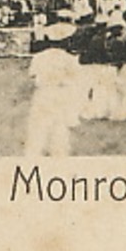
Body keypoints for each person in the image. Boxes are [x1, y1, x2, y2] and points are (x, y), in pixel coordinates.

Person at [23, 15, 80, 158]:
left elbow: (32, 75)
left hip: (43, 93)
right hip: (60, 93)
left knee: (39, 126)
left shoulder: (39, 57)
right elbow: (75, 77)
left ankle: (34, 153)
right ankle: (59, 153)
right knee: (59, 126)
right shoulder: (69, 59)